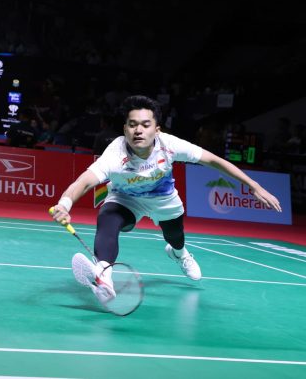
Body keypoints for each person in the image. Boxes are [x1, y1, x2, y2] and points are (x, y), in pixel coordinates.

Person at [50, 95, 282, 304]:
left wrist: (254, 186)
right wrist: (64, 203)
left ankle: (179, 254)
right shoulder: (115, 153)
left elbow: (214, 161)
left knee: (175, 237)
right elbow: (84, 181)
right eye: (132, 124)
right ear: (125, 129)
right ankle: (104, 275)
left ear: (157, 129)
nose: (138, 130)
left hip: (163, 200)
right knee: (108, 216)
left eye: (145, 124)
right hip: (126, 198)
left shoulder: (170, 145)